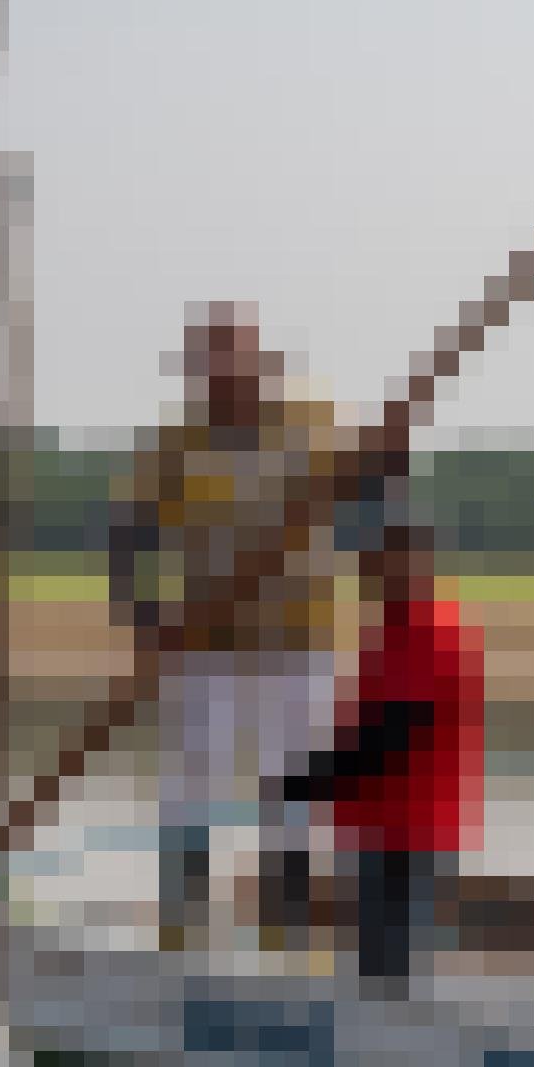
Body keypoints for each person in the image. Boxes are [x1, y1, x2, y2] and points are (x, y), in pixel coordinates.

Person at [108, 304, 350, 953]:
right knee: (188, 788)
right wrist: (144, 618)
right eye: (206, 366)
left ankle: (287, 924)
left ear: (257, 365)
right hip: (204, 646)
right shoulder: (177, 444)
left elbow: (367, 503)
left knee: (293, 790)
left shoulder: (311, 425)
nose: (218, 378)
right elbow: (128, 535)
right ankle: (180, 928)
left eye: (230, 363)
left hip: (299, 644)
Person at [284, 508, 486, 988]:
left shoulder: (431, 634)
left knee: (395, 981)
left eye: (389, 561)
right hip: (377, 831)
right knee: (376, 977)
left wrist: (316, 782)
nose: (376, 572)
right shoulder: (388, 635)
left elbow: (398, 734)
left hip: (409, 836)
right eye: (373, 561)